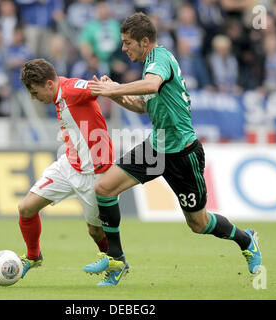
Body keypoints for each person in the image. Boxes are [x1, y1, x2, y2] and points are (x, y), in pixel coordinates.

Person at [84, 12, 262, 286]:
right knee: (104, 189)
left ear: (145, 41)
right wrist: (116, 93)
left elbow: (152, 85)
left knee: (198, 224)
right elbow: (144, 105)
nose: (123, 48)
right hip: (156, 148)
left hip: (182, 153)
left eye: (127, 42)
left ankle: (246, 239)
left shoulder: (160, 58)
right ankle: (117, 261)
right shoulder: (150, 65)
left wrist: (114, 89)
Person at [17, 59, 114, 278]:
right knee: (26, 208)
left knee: (95, 231)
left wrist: (106, 85)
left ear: (49, 84)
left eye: (34, 91)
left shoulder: (70, 90)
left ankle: (116, 263)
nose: (33, 97)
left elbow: (92, 88)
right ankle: (33, 256)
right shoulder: (58, 93)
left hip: (93, 172)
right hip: (69, 164)